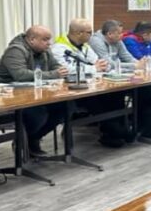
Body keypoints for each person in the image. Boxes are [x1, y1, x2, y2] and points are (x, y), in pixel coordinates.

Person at [0, 25, 68, 156]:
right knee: (38, 112)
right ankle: (25, 141)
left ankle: (32, 139)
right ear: (32, 39)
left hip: (33, 92)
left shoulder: (45, 50)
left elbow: (56, 66)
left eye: (49, 39)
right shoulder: (15, 50)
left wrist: (60, 71)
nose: (49, 43)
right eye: (45, 39)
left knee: (63, 108)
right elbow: (20, 75)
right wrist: (54, 74)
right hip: (7, 94)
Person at [52, 19, 129, 148]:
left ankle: (116, 132)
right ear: (78, 33)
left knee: (117, 94)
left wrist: (100, 66)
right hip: (72, 89)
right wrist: (94, 68)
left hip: (91, 85)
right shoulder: (59, 48)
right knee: (101, 100)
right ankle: (116, 132)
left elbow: (100, 63)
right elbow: (68, 70)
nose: (91, 35)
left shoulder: (85, 46)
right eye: (89, 32)